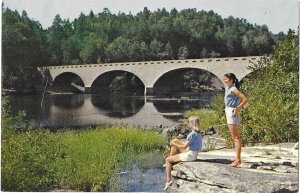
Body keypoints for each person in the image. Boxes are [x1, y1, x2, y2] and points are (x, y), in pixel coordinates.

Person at [163, 116, 202, 190]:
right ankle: (171, 161)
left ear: (192, 124)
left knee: (167, 159)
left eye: (189, 122)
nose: (188, 124)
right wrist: (175, 143)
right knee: (175, 140)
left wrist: (174, 144)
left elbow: (184, 147)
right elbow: (188, 145)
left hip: (190, 155)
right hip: (193, 153)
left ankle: (168, 180)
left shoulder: (192, 134)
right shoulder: (198, 133)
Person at [223, 73, 248, 167]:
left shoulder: (233, 89)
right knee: (235, 137)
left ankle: (237, 160)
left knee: (236, 138)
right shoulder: (228, 88)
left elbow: (245, 99)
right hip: (228, 111)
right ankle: (237, 157)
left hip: (231, 112)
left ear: (232, 80)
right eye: (224, 79)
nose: (225, 80)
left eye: (226, 79)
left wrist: (237, 108)